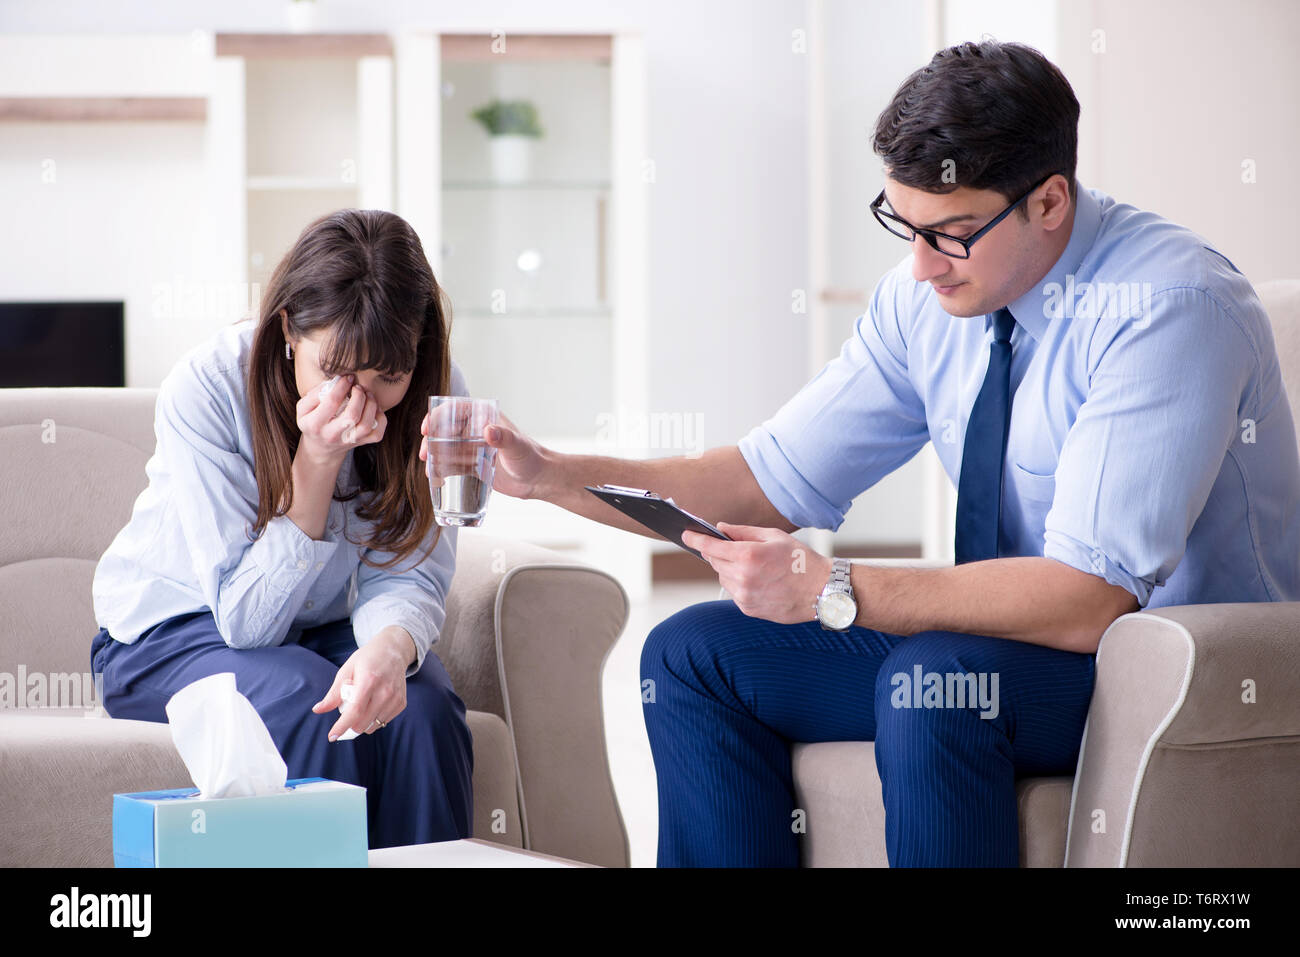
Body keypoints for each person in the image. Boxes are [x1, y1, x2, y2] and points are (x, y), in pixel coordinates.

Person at [430, 40, 1300, 866]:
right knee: (692, 654)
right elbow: (759, 483)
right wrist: (553, 476)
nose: (920, 267)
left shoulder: (1168, 307)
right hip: (1011, 640)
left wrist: (832, 586)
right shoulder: (930, 298)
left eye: (950, 231)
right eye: (903, 224)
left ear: (1050, 202)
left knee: (934, 683)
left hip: (1176, 660)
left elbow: (1086, 600)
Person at [92, 208, 474, 850]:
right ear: (289, 332)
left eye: (392, 378)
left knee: (424, 706)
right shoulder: (209, 385)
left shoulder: (436, 396)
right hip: (169, 633)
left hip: (316, 631)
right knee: (306, 701)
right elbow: (246, 624)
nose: (365, 402)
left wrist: (389, 648)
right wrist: (317, 462)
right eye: (339, 373)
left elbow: (408, 569)